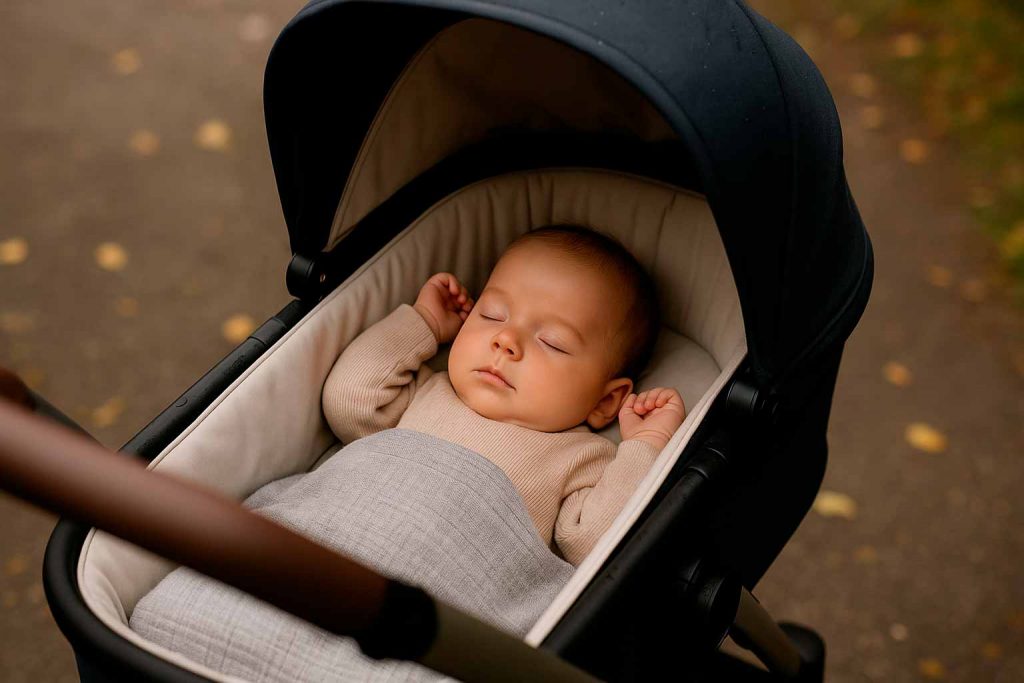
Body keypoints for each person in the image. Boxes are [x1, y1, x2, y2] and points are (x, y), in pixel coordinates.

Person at [323, 225, 685, 566]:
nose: (506, 340)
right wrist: (426, 323)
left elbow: (593, 542)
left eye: (552, 342)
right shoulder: (427, 390)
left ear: (605, 401)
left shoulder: (582, 457)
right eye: (492, 315)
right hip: (333, 534)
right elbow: (349, 401)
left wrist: (647, 445)